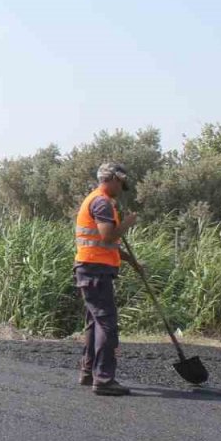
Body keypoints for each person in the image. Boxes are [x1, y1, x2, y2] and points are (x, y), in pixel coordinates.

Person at [74, 162, 138, 396]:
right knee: (107, 325)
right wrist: (126, 225)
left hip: (91, 268)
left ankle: (89, 371)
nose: (121, 189)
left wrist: (131, 261)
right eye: (120, 183)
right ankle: (103, 379)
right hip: (95, 271)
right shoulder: (101, 202)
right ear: (112, 179)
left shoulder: (98, 200)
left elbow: (103, 244)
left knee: (94, 323)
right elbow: (108, 236)